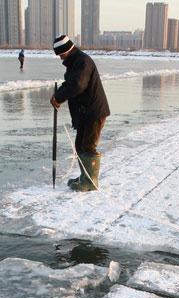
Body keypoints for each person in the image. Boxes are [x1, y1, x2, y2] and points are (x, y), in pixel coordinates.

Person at [50, 34, 110, 192]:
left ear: (68, 50)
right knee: (80, 146)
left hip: (93, 112)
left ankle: (90, 181)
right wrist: (57, 95)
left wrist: (59, 97)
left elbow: (77, 85)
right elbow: (69, 83)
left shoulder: (83, 62)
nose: (61, 59)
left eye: (62, 55)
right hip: (85, 113)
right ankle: (85, 177)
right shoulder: (75, 63)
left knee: (88, 146)